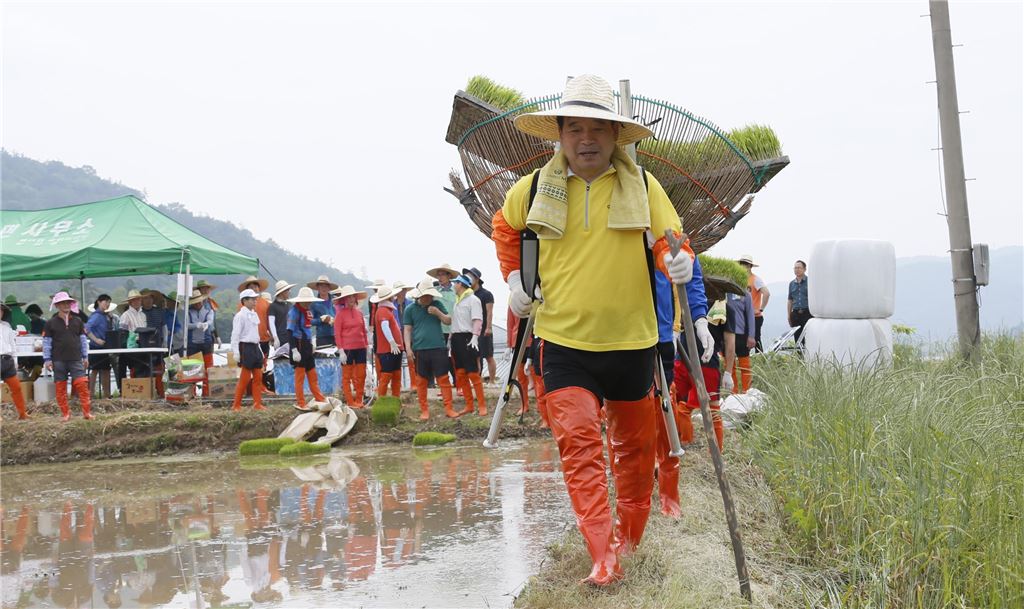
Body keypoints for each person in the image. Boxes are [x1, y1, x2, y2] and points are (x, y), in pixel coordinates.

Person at [490, 74, 695, 586]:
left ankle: (628, 538)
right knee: (578, 446)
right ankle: (601, 553)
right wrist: (515, 276)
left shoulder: (643, 186)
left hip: (632, 341)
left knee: (633, 454)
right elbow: (504, 226)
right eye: (574, 127)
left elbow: (671, 241)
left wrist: (679, 259)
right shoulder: (535, 187)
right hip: (562, 343)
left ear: (614, 136)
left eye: (598, 128)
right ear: (559, 134)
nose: (586, 138)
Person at [653, 255, 714, 518]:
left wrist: (700, 319)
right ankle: (634, 497)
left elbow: (693, 277)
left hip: (663, 334)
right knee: (627, 422)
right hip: (619, 337)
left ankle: (669, 497)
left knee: (665, 417)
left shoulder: (669, 228)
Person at [402, 279, 457, 419]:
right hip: (419, 349)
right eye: (426, 295)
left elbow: (448, 320)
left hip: (438, 347)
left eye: (430, 295)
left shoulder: (437, 304)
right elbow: (407, 330)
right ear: (419, 295)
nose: (429, 298)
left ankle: (449, 408)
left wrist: (438, 313)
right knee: (421, 380)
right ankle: (424, 410)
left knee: (443, 379)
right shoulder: (410, 309)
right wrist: (408, 348)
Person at [43, 292, 92, 421]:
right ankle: (65, 413)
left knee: (82, 385)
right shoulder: (50, 323)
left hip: (76, 358)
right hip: (58, 359)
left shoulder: (78, 321)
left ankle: (86, 412)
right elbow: (47, 342)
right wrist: (47, 359)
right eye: (63, 303)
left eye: (68, 302)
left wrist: (85, 356)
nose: (66, 305)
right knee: (60, 388)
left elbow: (83, 340)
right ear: (57, 305)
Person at [450, 274, 486, 416]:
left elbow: (477, 319)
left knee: (473, 373)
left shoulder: (473, 300)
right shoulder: (457, 301)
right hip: (457, 338)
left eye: (455, 283)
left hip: (468, 338)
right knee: (460, 373)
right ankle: (469, 405)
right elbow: (454, 321)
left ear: (461, 284)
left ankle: (482, 405)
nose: (453, 286)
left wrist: (475, 336)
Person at [287, 286, 327, 410]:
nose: (309, 303)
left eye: (310, 301)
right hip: (298, 344)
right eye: (307, 301)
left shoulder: (308, 311)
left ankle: (319, 397)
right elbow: (289, 331)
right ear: (300, 300)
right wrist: (294, 350)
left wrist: (312, 342)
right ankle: (300, 402)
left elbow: (309, 327)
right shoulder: (294, 312)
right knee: (300, 376)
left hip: (307, 344)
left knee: (312, 373)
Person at [332, 285, 369, 408]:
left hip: (360, 347)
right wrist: (341, 350)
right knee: (346, 377)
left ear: (356, 298)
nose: (351, 299)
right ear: (344, 299)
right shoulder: (340, 315)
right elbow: (337, 333)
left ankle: (359, 400)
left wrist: (367, 346)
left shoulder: (359, 313)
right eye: (348, 297)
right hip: (347, 349)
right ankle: (350, 401)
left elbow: (363, 331)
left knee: (361, 375)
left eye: (353, 296)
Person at [231, 289, 267, 412]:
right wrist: (236, 351)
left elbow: (255, 334)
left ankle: (257, 403)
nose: (255, 301)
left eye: (255, 299)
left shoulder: (254, 314)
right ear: (244, 301)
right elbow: (235, 335)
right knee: (245, 378)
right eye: (252, 299)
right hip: (245, 347)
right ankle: (236, 404)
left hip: (255, 346)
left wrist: (260, 351)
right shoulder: (240, 316)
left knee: (258, 377)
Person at [237, 276, 273, 392]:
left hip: (263, 338)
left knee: (263, 364)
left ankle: (261, 387)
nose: (254, 288)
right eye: (251, 287)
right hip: (247, 341)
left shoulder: (265, 303)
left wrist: (272, 335)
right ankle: (247, 389)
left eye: (255, 286)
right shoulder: (241, 305)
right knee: (247, 366)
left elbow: (269, 321)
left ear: (259, 289)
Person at [370, 285, 405, 401]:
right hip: (388, 349)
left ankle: (395, 398)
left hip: (395, 348)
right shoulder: (382, 311)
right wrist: (392, 342)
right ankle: (382, 400)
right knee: (386, 374)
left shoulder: (387, 310)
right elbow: (385, 326)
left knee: (396, 374)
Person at [462, 267, 497, 383]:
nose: (468, 279)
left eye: (470, 276)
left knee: (488, 356)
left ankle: (492, 381)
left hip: (484, 329)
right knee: (475, 356)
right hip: (471, 330)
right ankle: (478, 381)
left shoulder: (486, 294)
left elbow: (489, 312)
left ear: (477, 279)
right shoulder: (467, 295)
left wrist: (489, 327)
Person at [724, 287, 756, 394]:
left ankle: (747, 392)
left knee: (745, 366)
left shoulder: (745, 294)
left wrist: (751, 336)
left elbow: (751, 315)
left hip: (741, 334)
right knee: (729, 366)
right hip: (726, 334)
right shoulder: (721, 292)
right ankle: (733, 393)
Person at [1, 302, 29, 420]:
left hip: (7, 359)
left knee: (16, 387)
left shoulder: (6, 325)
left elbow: (12, 344)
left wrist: (15, 360)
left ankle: (22, 413)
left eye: (1, 310)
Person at [185, 290, 216, 397]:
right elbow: (187, 325)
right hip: (192, 344)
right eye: (195, 302)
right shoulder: (188, 312)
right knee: (191, 370)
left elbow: (210, 321)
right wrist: (197, 325)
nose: (198, 304)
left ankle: (206, 393)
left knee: (208, 369)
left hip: (206, 343)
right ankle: (192, 394)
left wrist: (206, 324)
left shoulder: (209, 310)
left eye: (199, 301)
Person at [738, 255, 769, 352]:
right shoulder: (738, 278)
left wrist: (760, 309)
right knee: (742, 341)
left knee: (756, 340)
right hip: (742, 316)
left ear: (750, 266)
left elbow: (766, 293)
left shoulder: (755, 279)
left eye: (745, 264)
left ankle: (761, 361)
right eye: (741, 264)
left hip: (755, 316)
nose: (743, 266)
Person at [85, 294, 114, 399]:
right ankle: (91, 393)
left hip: (104, 346)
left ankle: (106, 393)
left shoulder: (104, 315)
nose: (107, 304)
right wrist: (96, 339)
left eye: (108, 302)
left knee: (105, 370)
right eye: (105, 302)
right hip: (96, 347)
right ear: (99, 302)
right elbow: (86, 328)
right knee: (95, 370)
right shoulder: (96, 315)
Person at [306, 275, 338, 348]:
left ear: (329, 288)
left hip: (336, 335)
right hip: (322, 337)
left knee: (337, 358)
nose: (324, 288)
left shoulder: (335, 301)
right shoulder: (313, 303)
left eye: (326, 286)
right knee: (323, 358)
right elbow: (309, 321)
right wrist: (321, 320)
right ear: (318, 288)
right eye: (321, 286)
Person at [268, 280, 295, 355]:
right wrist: (275, 337)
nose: (289, 292)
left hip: (291, 338)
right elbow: (271, 322)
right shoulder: (273, 306)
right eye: (287, 290)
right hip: (280, 339)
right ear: (282, 292)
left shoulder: (290, 304)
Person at [788, 259, 812, 344]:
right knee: (797, 338)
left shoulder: (810, 281)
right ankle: (799, 356)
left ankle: (808, 356)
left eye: (799, 268)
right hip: (795, 313)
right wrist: (789, 315)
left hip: (807, 312)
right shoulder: (791, 284)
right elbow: (790, 300)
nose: (797, 270)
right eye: (795, 268)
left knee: (808, 336)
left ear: (804, 269)